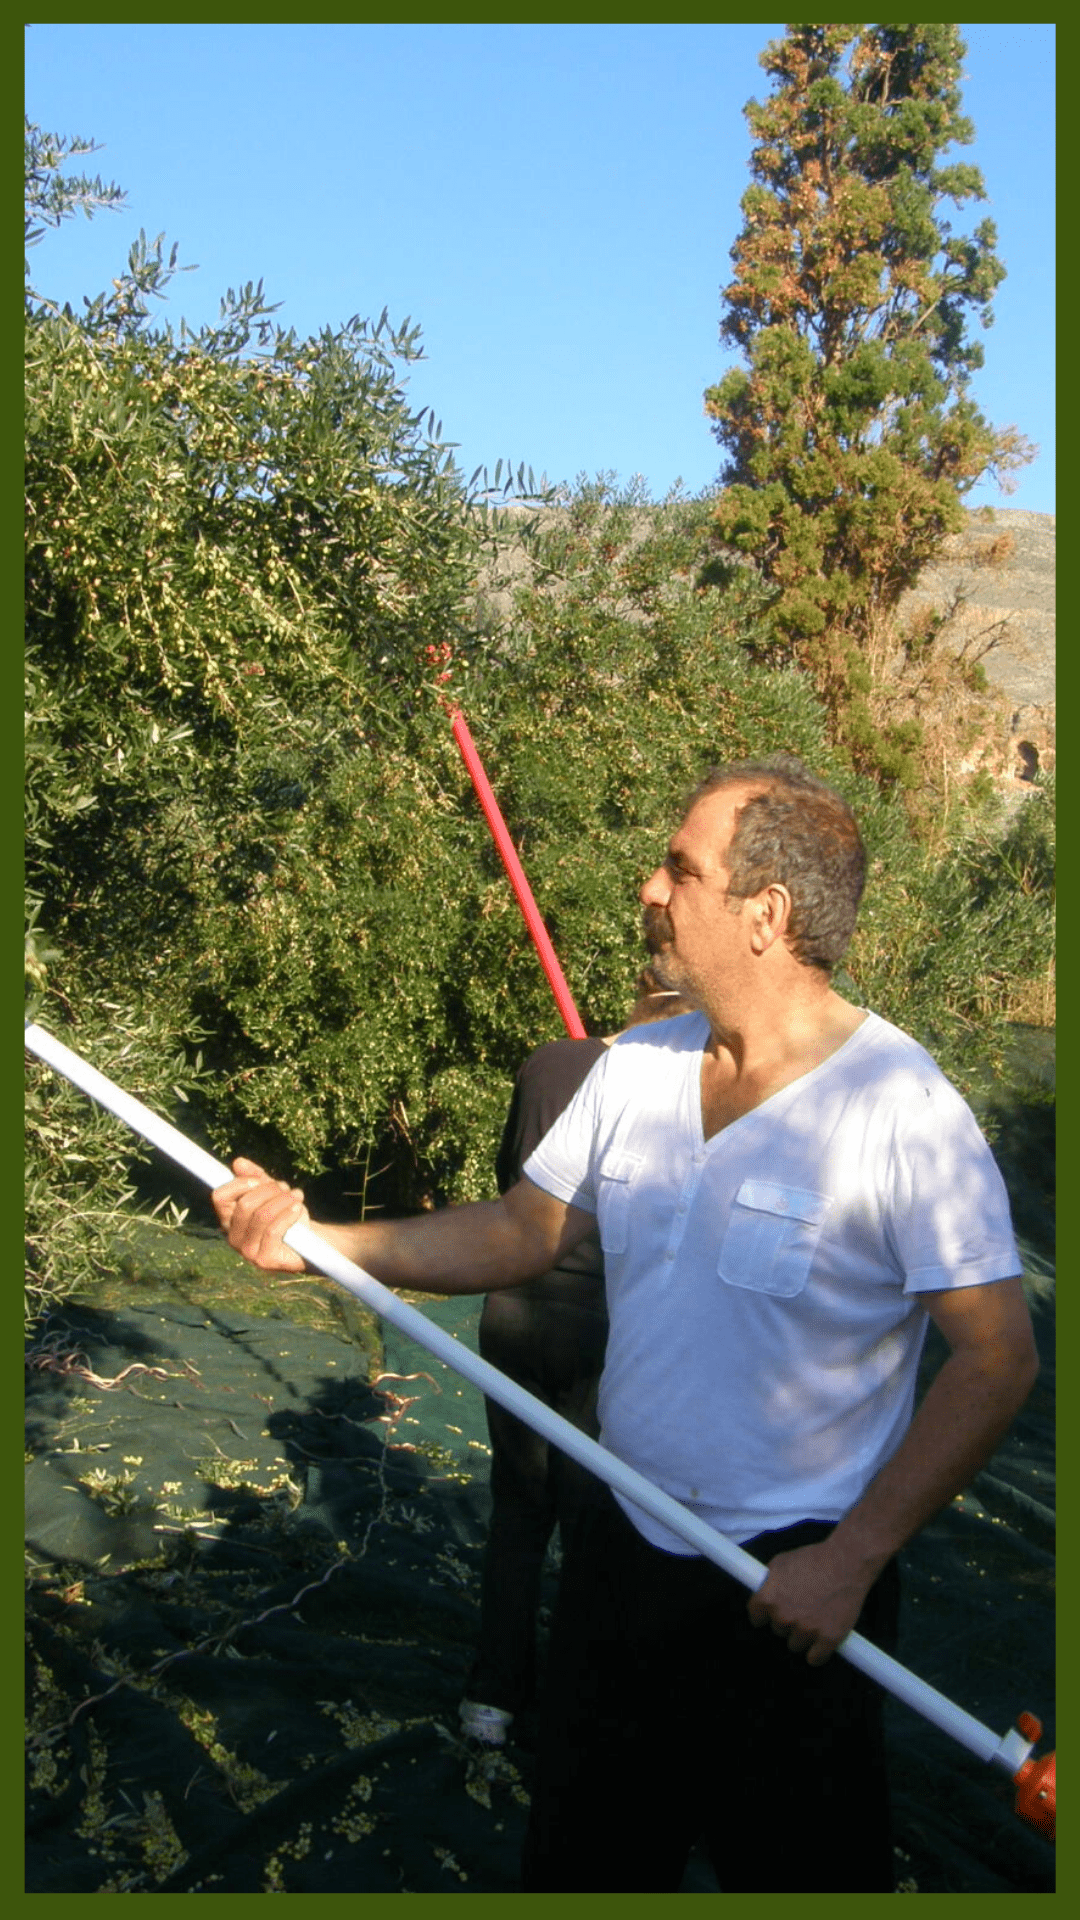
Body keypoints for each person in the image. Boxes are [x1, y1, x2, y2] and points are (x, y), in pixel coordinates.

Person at [212, 755, 1038, 1892]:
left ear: (767, 914)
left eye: (678, 868)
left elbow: (997, 1359)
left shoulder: (901, 1112)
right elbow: (521, 1232)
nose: (649, 888)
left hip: (791, 1595)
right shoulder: (636, 1069)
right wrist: (316, 1242)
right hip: (620, 1546)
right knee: (584, 1865)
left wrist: (853, 1558)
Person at [460, 972, 694, 1752]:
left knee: (521, 1507)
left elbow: (509, 1189)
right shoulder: (684, 1089)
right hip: (607, 1324)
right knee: (597, 1522)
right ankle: (576, 1705)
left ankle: (492, 1698)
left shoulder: (548, 1064)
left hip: (517, 1308)